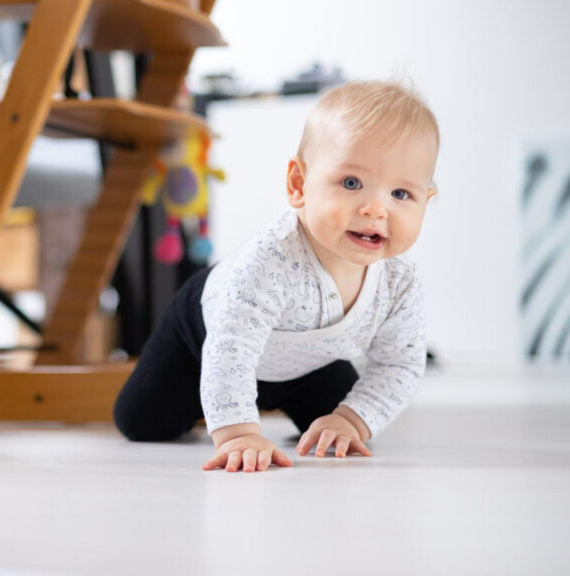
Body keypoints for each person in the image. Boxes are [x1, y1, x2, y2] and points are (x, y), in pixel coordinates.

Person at [113, 80, 439, 473]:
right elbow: (231, 348)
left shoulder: (398, 284)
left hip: (307, 364)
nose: (375, 208)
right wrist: (237, 433)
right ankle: (219, 404)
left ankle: (262, 402)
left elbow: (398, 365)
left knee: (338, 433)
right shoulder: (269, 263)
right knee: (143, 422)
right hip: (205, 340)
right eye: (351, 183)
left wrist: (350, 419)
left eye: (401, 194)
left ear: (427, 201)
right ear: (299, 185)